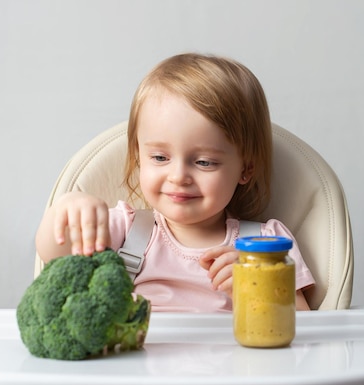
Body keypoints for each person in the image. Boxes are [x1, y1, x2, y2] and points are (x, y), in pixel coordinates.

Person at [36, 53, 315, 312]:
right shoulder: (125, 231)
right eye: (159, 157)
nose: (178, 176)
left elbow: (308, 326)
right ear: (138, 158)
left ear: (246, 169)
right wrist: (69, 206)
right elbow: (55, 256)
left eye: (204, 162)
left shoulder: (266, 244)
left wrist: (260, 288)